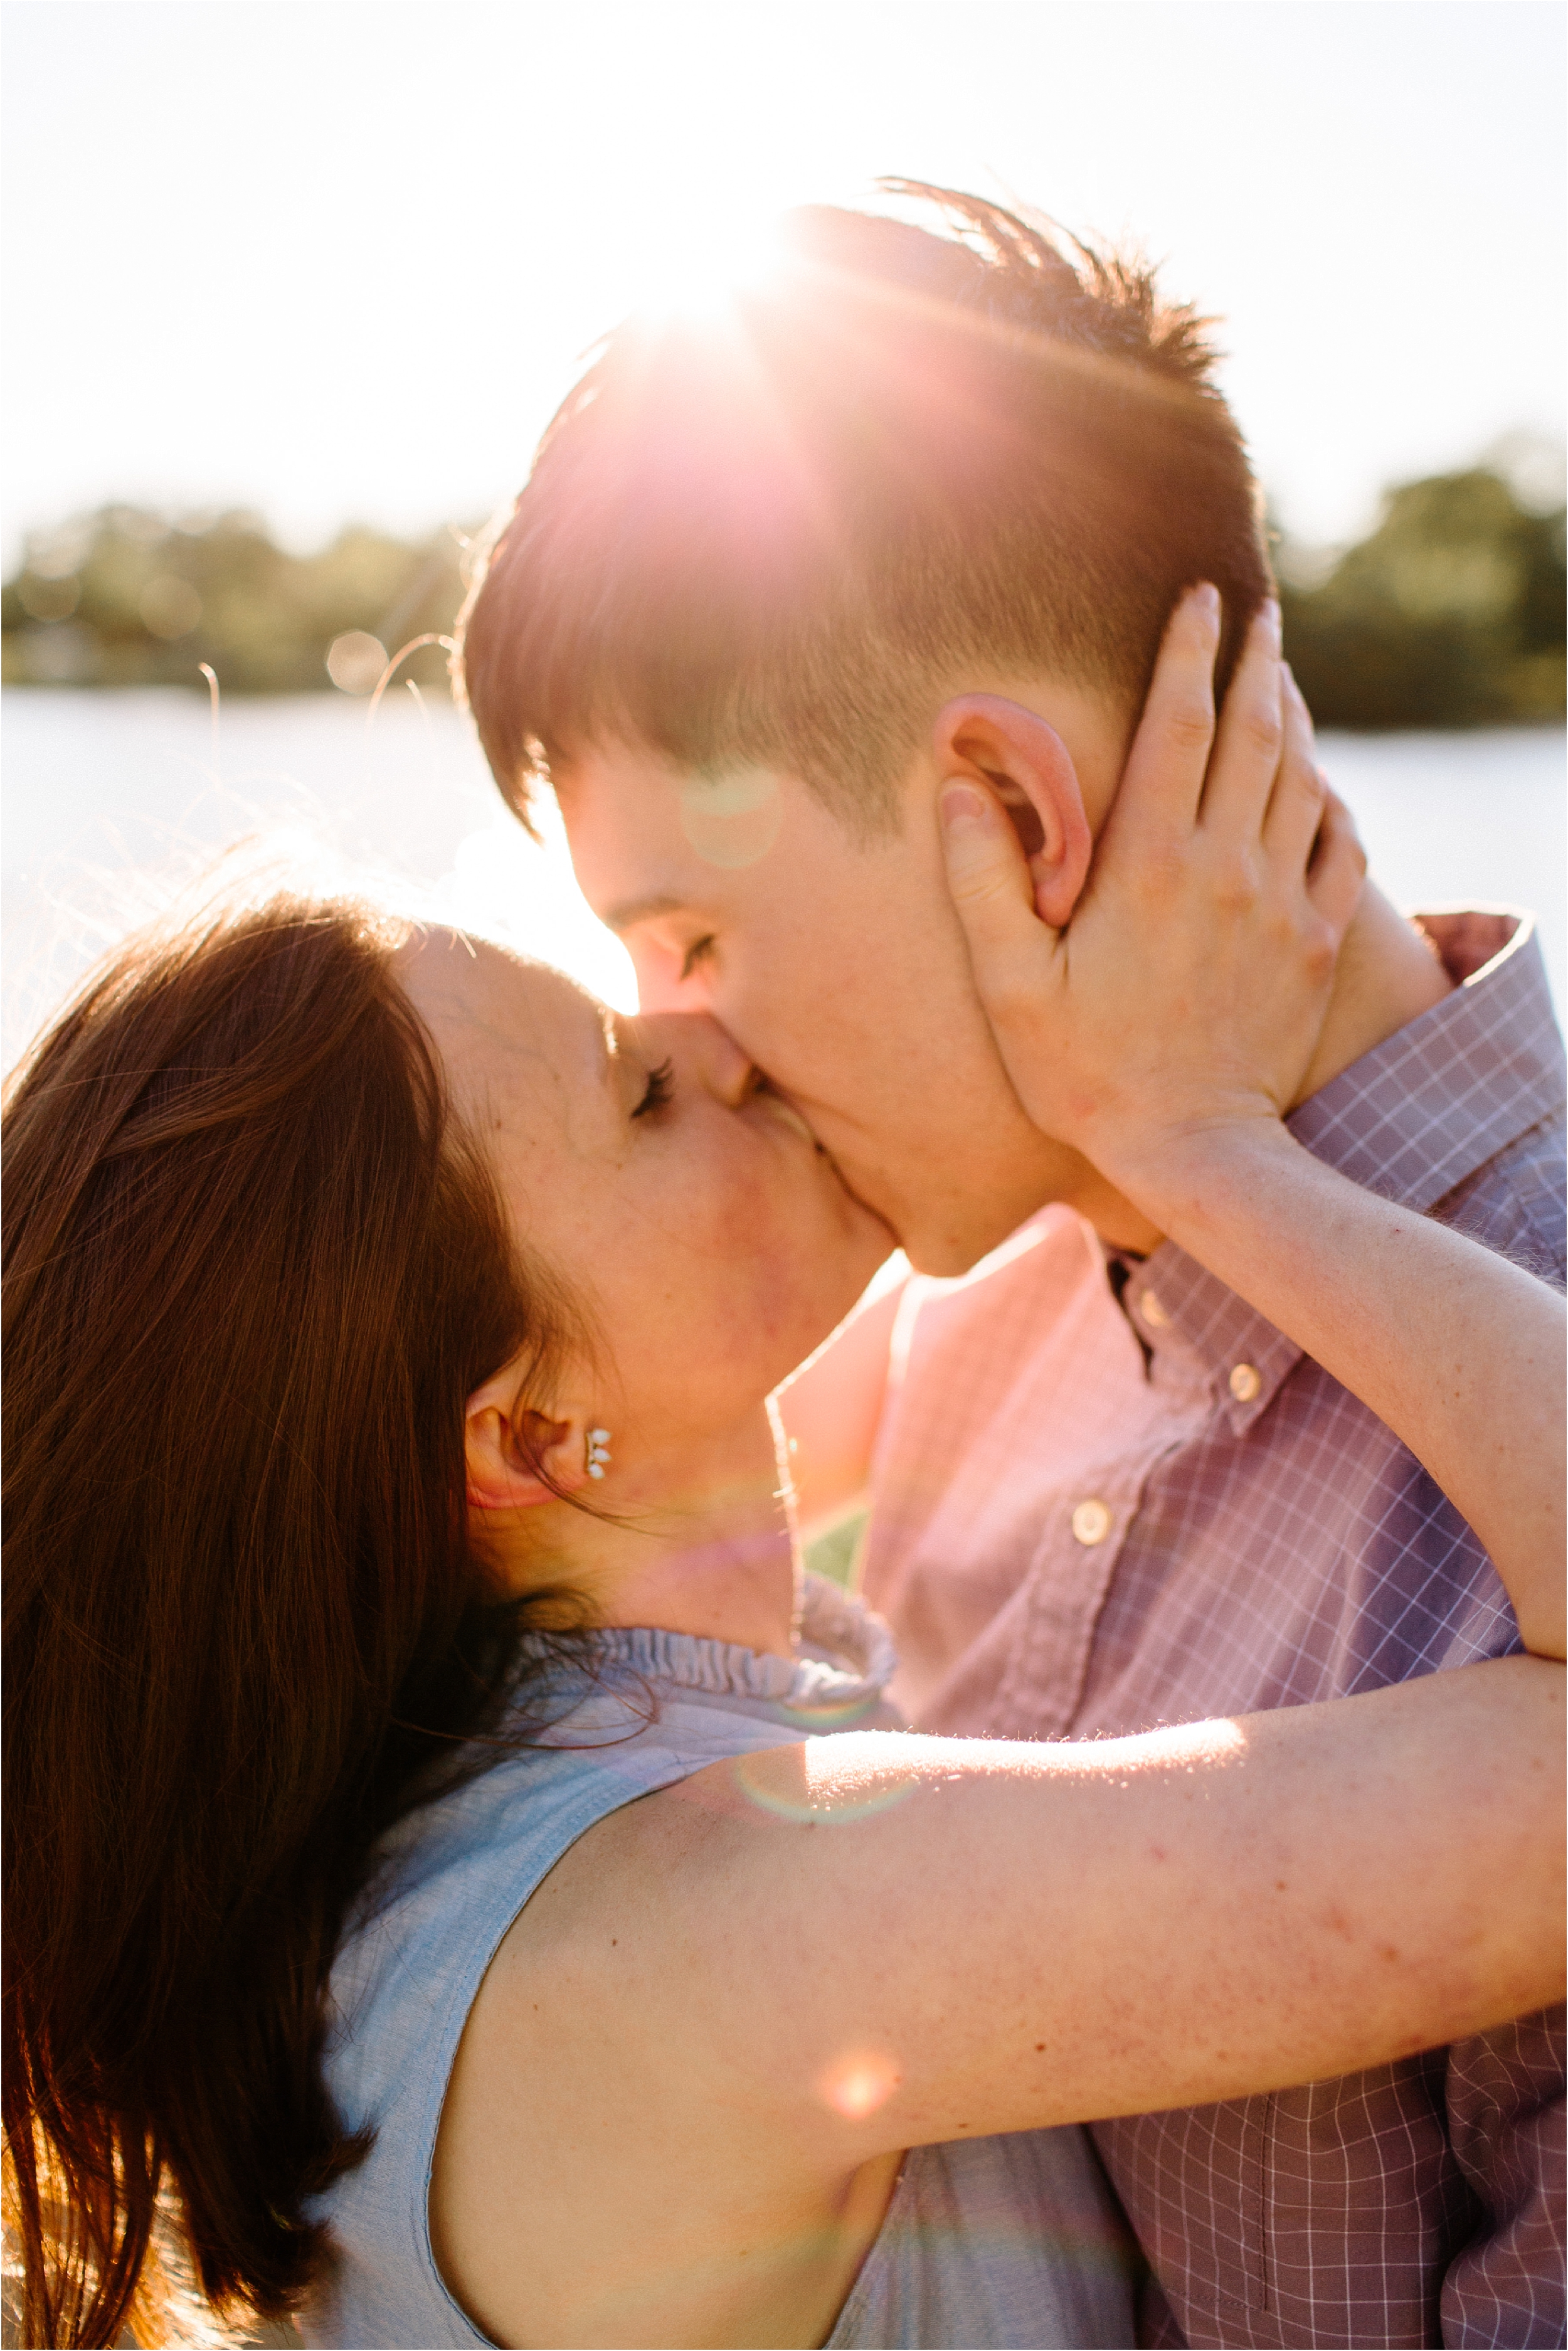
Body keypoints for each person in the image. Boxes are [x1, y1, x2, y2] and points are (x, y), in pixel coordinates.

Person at [4, 617, 1564, 2351]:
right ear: (522, 1439)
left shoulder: (453, 1823)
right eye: (635, 1091)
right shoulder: (735, 1931)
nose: (715, 1038)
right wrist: (1193, 1139)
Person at [457, 183, 1568, 2347]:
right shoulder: (982, 1289)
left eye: (691, 932)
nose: (690, 1037)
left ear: (1011, 821)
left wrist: (1202, 1153)